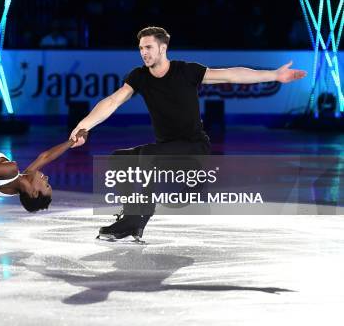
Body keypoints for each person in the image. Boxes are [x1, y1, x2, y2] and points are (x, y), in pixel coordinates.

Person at [69, 26, 307, 241]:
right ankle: (131, 219)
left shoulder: (186, 71)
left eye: (149, 47)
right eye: (141, 48)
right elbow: (112, 101)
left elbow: (230, 74)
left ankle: (139, 216)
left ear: (163, 48)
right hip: (166, 150)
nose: (144, 52)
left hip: (194, 149)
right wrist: (84, 126)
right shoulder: (139, 77)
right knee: (120, 159)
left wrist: (274, 75)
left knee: (147, 156)